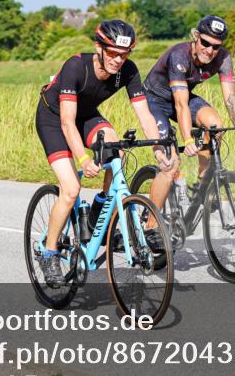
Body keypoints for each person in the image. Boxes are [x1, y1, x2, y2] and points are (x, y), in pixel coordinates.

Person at [35, 20, 176, 288]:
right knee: (71, 190)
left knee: (116, 150)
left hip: (86, 116)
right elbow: (67, 122)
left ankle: (98, 214)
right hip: (54, 119)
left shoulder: (128, 70)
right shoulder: (76, 66)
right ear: (98, 47)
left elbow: (145, 114)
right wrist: (83, 159)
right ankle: (49, 253)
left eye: (124, 54)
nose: (118, 60)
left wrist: (158, 149)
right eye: (112, 53)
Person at [142, 15, 235, 216]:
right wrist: (188, 139)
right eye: (205, 43)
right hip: (154, 100)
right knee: (170, 163)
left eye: (216, 46)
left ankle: (200, 187)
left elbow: (231, 100)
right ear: (196, 37)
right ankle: (150, 223)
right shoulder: (179, 55)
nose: (209, 50)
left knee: (216, 126)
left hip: (182, 96)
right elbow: (181, 105)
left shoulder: (223, 58)